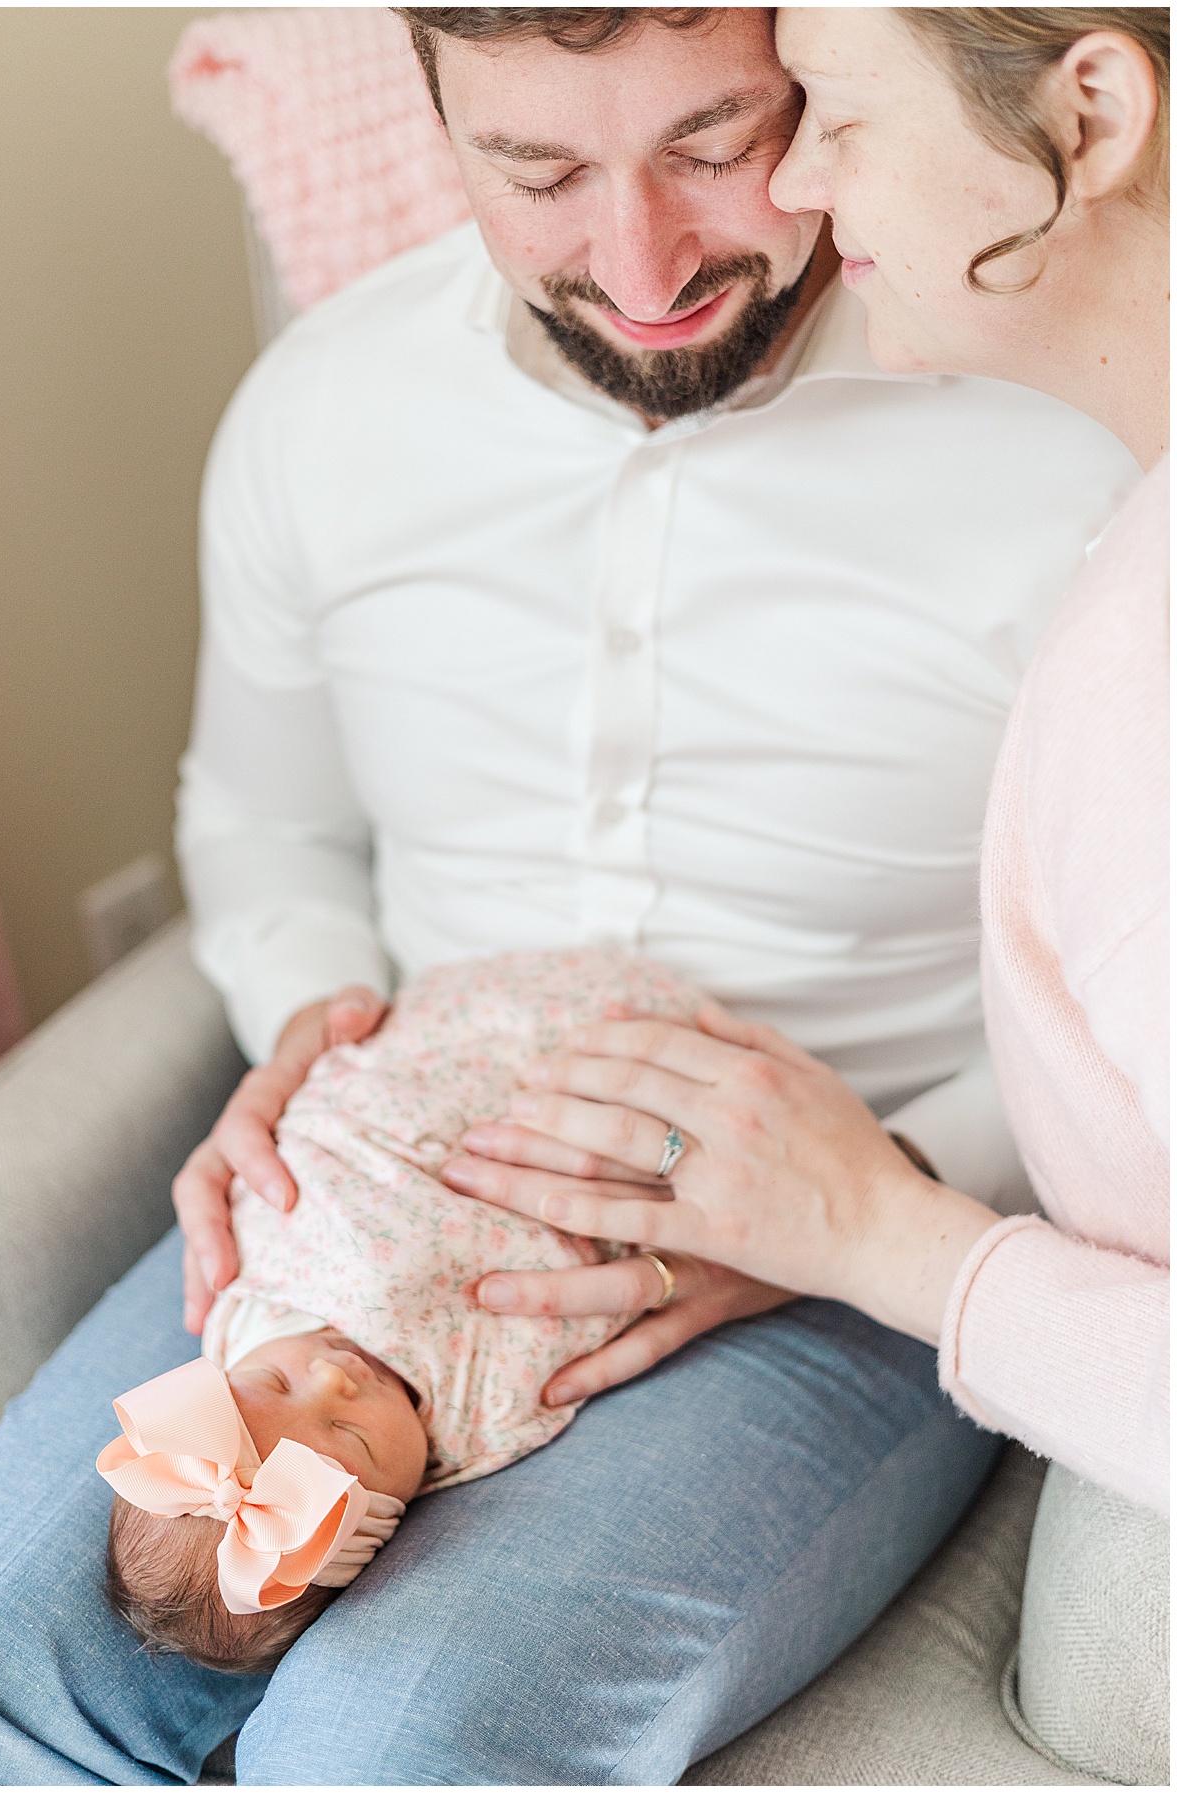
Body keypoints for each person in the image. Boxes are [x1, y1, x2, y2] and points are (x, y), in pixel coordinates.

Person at [0, 9, 1136, 1786]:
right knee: (16, 1637)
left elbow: (1122, 1026)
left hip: (844, 1240)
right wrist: (312, 1028)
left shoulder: (1063, 436)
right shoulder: (323, 410)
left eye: (715, 147)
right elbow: (263, 826)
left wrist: (868, 1193)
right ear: (434, 117)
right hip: (378, 1174)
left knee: (401, 1743)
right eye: (540, 174)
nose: (644, 268)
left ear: (818, 74)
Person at [451, 7, 1168, 1510]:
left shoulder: (1136, 685)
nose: (803, 189)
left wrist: (876, 1229)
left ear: (1094, 116)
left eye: (824, 118)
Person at [101, 948, 756, 1676]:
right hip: (604, 1106)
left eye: (277, 1382)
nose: (333, 1378)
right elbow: (590, 1304)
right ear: (397, 1513)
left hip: (437, 1046)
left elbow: (289, 1162)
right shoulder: (487, 1410)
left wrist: (308, 1052)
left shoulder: (247, 1297)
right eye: (350, 1433)